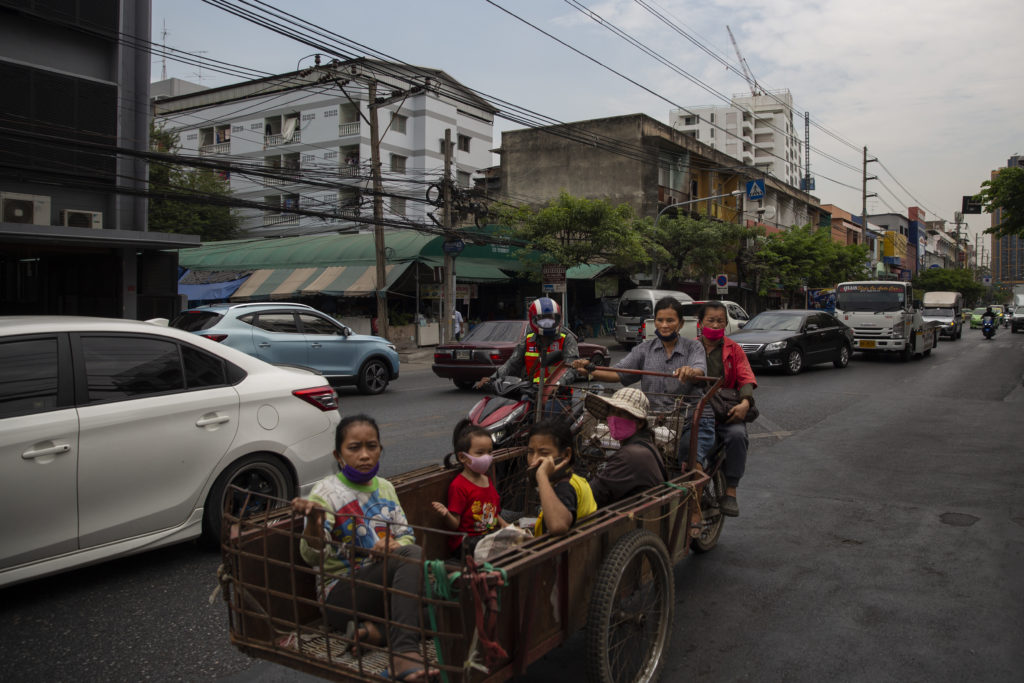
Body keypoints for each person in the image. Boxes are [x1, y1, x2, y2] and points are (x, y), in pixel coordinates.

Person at [291, 414, 437, 683]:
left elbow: (406, 536)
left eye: (372, 446)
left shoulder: (386, 488)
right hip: (343, 595)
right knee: (413, 557)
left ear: (380, 448)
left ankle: (376, 633)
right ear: (339, 454)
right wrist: (314, 522)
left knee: (450, 604)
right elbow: (312, 555)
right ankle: (404, 653)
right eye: (354, 448)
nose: (365, 455)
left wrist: (393, 543)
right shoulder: (326, 492)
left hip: (385, 590)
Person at [572, 296, 714, 465]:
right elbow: (618, 373)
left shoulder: (693, 347)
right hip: (655, 420)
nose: (665, 325)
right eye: (660, 320)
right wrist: (591, 370)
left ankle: (695, 485)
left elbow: (699, 368)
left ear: (681, 324)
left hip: (689, 420)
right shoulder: (644, 349)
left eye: (670, 320)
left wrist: (690, 371)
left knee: (688, 460)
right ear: (655, 322)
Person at [693, 301, 757, 517]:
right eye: (711, 320)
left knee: (738, 436)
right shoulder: (690, 347)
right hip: (696, 411)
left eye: (720, 320)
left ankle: (731, 491)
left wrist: (745, 402)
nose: (715, 324)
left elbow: (746, 377)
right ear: (700, 323)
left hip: (725, 412)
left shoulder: (734, 349)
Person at [431, 419, 506, 555]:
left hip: (488, 537)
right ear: (462, 457)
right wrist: (446, 514)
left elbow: (493, 513)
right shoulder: (459, 486)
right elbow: (455, 524)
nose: (487, 457)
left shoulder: (487, 480)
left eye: (489, 452)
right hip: (467, 543)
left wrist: (505, 525)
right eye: (480, 452)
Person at [584, 387, 667, 506]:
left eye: (621, 413)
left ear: (639, 423)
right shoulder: (645, 446)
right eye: (612, 411)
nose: (614, 418)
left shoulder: (630, 455)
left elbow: (592, 495)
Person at [475, 297, 579, 389]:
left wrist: (558, 384)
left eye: (551, 317)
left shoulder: (567, 339)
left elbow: (572, 367)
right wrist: (492, 378)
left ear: (558, 319)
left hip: (558, 396)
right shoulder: (528, 340)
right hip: (532, 392)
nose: (547, 322)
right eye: (543, 318)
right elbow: (512, 364)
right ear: (533, 319)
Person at [526, 419, 597, 536]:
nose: (534, 460)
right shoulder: (574, 480)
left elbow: (558, 525)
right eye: (530, 452)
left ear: (566, 454)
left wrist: (542, 476)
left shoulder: (566, 487)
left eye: (544, 453)